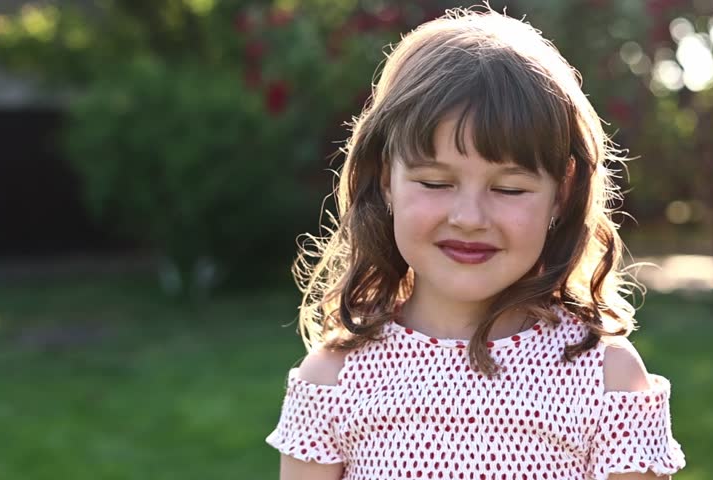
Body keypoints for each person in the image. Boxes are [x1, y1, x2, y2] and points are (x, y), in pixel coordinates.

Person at [265, 4, 687, 480]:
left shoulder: (608, 381)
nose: (468, 218)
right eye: (435, 182)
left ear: (561, 194)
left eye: (509, 189)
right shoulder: (332, 381)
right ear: (386, 180)